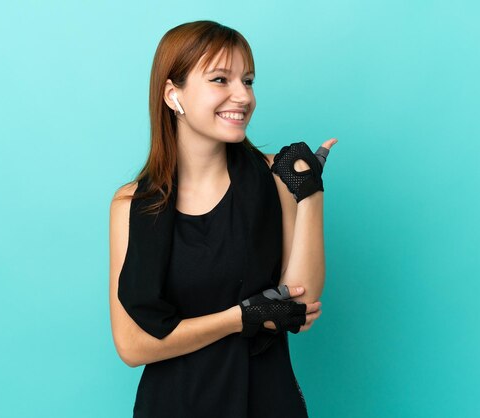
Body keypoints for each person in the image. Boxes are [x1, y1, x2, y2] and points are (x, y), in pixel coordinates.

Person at [109, 20, 337, 418]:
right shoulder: (132, 204)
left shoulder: (278, 177)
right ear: (172, 94)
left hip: (265, 402)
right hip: (173, 406)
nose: (243, 96)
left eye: (247, 81)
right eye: (221, 79)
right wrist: (242, 318)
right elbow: (132, 345)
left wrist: (311, 193)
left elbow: (297, 309)